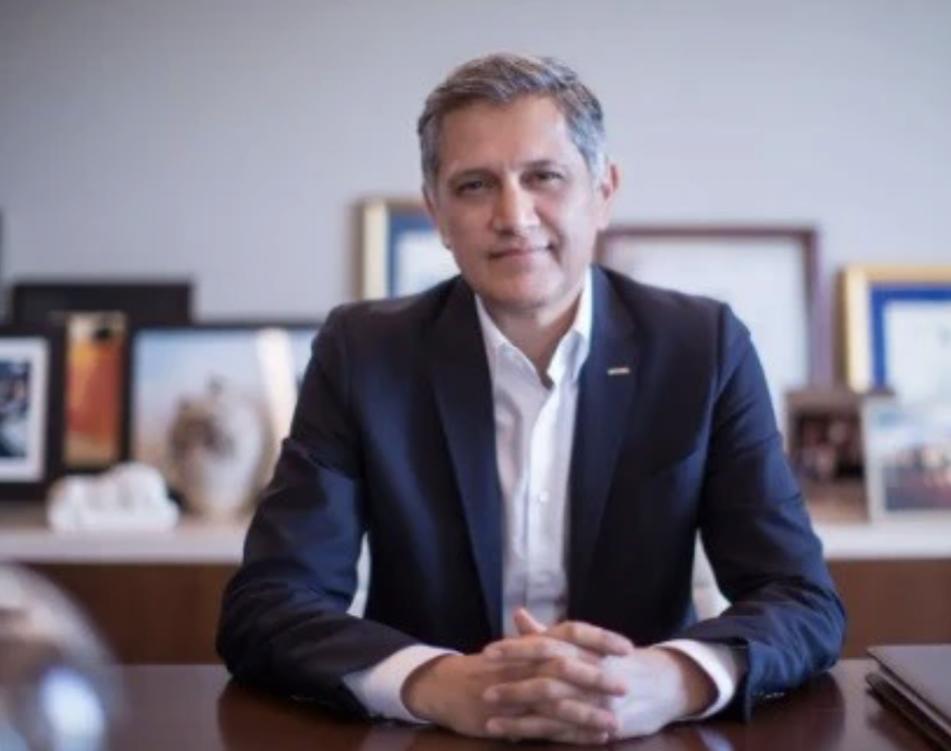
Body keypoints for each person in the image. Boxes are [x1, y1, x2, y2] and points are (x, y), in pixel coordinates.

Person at [217, 53, 845, 744]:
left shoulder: (703, 348)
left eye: (544, 177)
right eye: (475, 185)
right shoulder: (363, 354)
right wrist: (432, 682)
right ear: (437, 212)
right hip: (434, 736)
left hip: (642, 733)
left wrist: (667, 680)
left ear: (603, 191)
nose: (513, 217)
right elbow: (268, 605)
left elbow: (801, 601)